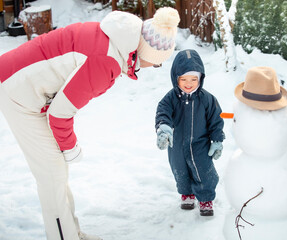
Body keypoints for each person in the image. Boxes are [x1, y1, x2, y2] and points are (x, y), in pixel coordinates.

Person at [0, 7, 180, 240]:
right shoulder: (107, 60)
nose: (152, 68)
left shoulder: (115, 38)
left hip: (28, 88)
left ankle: (70, 232)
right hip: (17, 91)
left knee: (57, 171)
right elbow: (60, 114)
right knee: (52, 174)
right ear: (146, 53)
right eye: (157, 63)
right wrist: (71, 148)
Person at [155, 49, 225, 216]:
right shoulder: (170, 98)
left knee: (204, 171)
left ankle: (206, 197)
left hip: (200, 144)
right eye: (183, 79)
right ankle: (187, 193)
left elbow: (216, 120)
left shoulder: (207, 99)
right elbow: (162, 112)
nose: (189, 83)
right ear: (176, 78)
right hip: (177, 144)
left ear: (200, 78)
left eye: (194, 79)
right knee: (180, 170)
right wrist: (163, 128)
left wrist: (217, 140)